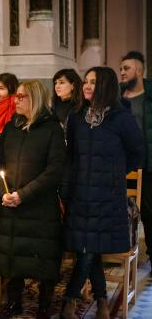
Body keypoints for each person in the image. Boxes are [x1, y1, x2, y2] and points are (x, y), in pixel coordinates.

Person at [61, 67, 144, 319]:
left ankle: (69, 299)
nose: (86, 86)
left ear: (106, 86)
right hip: (80, 196)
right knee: (89, 247)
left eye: (93, 82)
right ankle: (102, 301)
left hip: (108, 198)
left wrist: (114, 173)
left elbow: (138, 154)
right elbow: (71, 156)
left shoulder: (122, 118)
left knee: (88, 248)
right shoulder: (76, 117)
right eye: (85, 81)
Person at [0, 80, 65, 319]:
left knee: (43, 257)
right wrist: (2, 193)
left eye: (22, 96)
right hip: (11, 203)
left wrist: (23, 195)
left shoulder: (52, 129)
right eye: (17, 96)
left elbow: (54, 169)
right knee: (12, 255)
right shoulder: (11, 127)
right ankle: (14, 302)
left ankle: (45, 305)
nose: (16, 100)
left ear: (34, 98)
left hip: (39, 206)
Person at [119, 51, 152, 273]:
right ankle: (121, 254)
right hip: (124, 165)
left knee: (150, 214)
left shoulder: (149, 97)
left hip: (149, 166)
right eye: (121, 69)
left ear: (138, 71)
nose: (122, 72)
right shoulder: (117, 99)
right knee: (123, 212)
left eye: (126, 68)